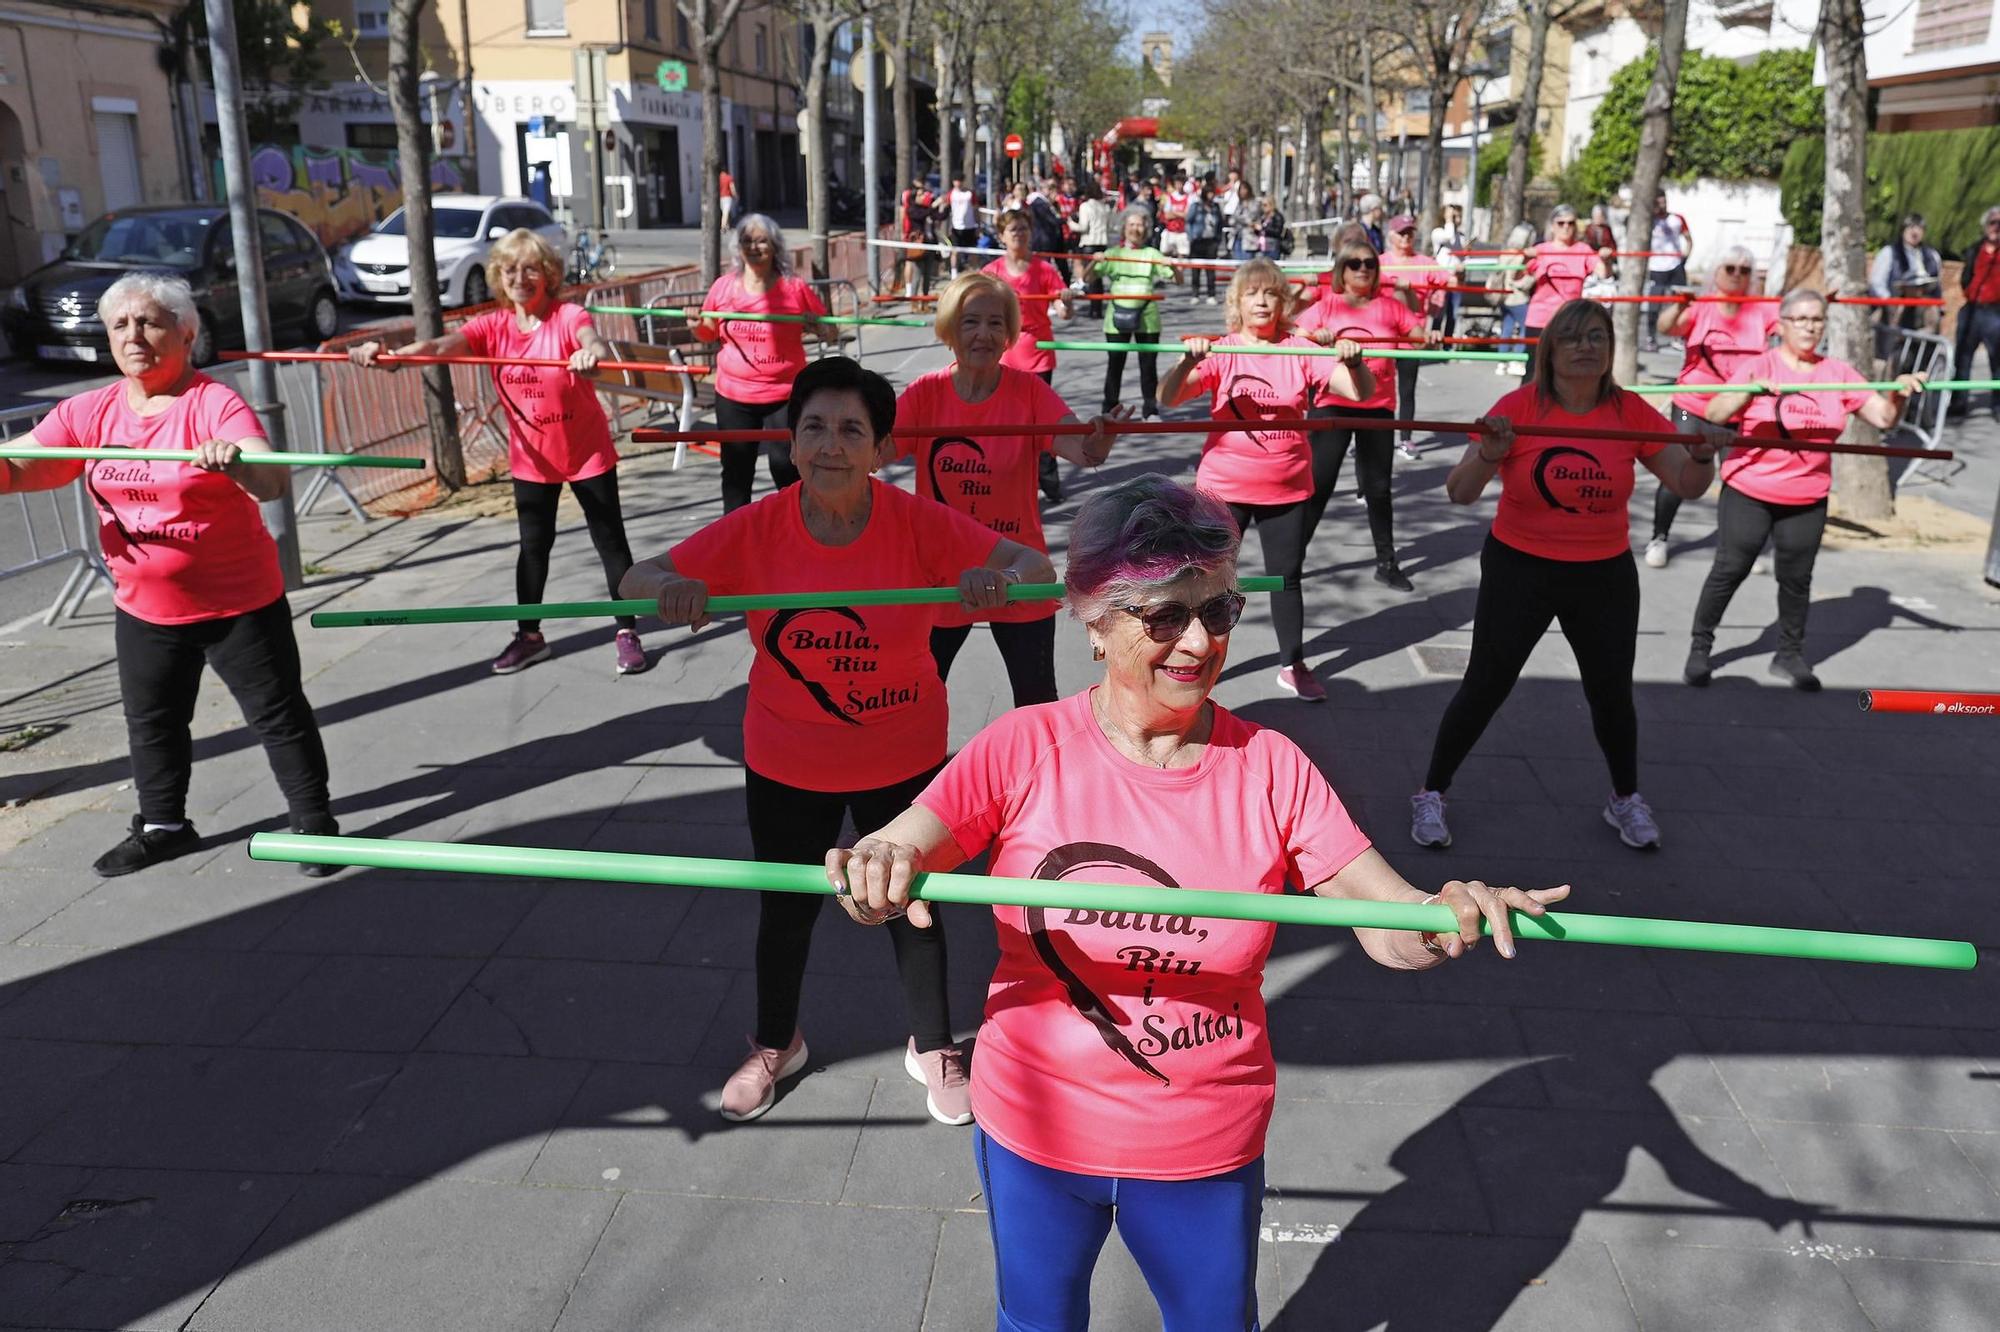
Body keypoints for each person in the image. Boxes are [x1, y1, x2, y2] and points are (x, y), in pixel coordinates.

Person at [824, 473, 1563, 1332]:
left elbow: (1390, 924)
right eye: (1164, 615)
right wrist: (877, 869)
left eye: (1218, 611)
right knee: (1034, 1323)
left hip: (1201, 1142)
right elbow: (906, 846)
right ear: (1097, 623)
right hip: (1033, 1123)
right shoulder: (1024, 746)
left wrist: (1449, 917)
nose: (1198, 642)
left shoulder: (1270, 766)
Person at [623, 356, 1056, 1124]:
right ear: (791, 444)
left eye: (851, 430)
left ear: (882, 448)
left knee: (913, 905)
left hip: (904, 753)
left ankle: (932, 1044)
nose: (830, 445)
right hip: (788, 757)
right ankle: (776, 1042)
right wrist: (669, 587)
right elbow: (633, 578)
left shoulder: (915, 521)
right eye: (814, 428)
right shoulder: (759, 527)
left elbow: (1030, 564)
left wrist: (996, 582)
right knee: (785, 909)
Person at [2, 273, 337, 876]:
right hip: (145, 607)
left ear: (186, 333)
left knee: (278, 716)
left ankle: (315, 827)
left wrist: (235, 464)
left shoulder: (213, 403)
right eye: (121, 326)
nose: (135, 336)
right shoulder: (92, 410)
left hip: (238, 602)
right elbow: (25, 466)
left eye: (151, 322)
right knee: (152, 723)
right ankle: (164, 827)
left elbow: (272, 481)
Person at [1410, 299, 1719, 852]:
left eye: (1596, 337)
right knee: (1485, 685)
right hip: (1520, 566)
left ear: (1611, 349)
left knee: (1611, 695)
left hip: (1603, 573)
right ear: (1548, 347)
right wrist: (1489, 453)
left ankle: (1624, 798)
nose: (1585, 346)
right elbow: (1459, 492)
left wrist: (1701, 456)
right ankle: (1431, 791)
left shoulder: (1629, 412)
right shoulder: (1520, 406)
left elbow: (1686, 483)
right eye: (1572, 337)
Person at [351, 229, 647, 677]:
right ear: (498, 276)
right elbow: (437, 348)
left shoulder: (566, 316)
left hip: (585, 451)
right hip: (532, 458)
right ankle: (530, 637)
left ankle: (627, 632)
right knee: (533, 549)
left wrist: (590, 354)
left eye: (530, 268)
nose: (520, 278)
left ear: (547, 273)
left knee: (610, 542)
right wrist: (392, 357)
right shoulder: (493, 326)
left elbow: (592, 339)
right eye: (510, 270)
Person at [1684, 291, 1927, 693]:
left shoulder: (1838, 373)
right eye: (1801, 319)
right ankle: (1700, 648)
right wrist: (1750, 390)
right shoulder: (1758, 365)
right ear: (1781, 325)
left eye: (1817, 320)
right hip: (1750, 487)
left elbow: (1883, 417)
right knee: (1731, 568)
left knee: (1796, 579)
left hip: (1806, 495)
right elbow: (1714, 414)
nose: (1810, 327)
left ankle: (1789, 655)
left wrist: (1899, 392)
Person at [897, 273, 1122, 704]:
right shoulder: (926, 393)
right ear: (950, 329)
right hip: (940, 571)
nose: (984, 333)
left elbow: (1084, 452)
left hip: (1017, 567)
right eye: (970, 322)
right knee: (916, 694)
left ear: (1009, 335)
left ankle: (1036, 771)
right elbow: (873, 452)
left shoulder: (1028, 391)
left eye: (996, 323)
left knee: (1036, 698)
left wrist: (1100, 438)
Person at [1159, 258, 1372, 700]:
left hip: (1286, 486)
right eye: (1252, 293)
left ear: (1283, 301)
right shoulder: (1224, 348)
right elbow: (1169, 396)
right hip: (1225, 487)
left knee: (1286, 577)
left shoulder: (1299, 348)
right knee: (1208, 579)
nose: (1262, 300)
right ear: (1237, 302)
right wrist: (1186, 361)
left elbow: (1360, 393)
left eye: (1270, 293)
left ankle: (1292, 663)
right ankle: (1192, 659)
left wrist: (1355, 362)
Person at [1295, 238, 1437, 593]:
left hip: (1377, 406)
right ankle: (1291, 562)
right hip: (1332, 404)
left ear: (1377, 271)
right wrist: (1317, 339)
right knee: (1318, 485)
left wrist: (1428, 330)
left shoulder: (1391, 306)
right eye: (1354, 263)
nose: (1362, 269)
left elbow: (1419, 338)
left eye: (1369, 264)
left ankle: (1386, 563)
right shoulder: (1326, 305)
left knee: (1378, 488)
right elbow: (1294, 337)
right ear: (1341, 271)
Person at [686, 214, 836, 514]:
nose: (754, 247)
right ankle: (735, 537)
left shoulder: (794, 288)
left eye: (761, 240)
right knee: (736, 472)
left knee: (786, 467)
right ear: (738, 247)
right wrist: (695, 325)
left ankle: (795, 528)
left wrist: (818, 326)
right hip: (734, 395)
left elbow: (831, 332)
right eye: (747, 241)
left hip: (784, 395)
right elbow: (707, 333)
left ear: (775, 246)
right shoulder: (724, 288)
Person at [1645, 245, 1775, 568]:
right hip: (1691, 404)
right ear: (1717, 272)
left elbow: (1795, 322)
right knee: (1681, 465)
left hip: (1734, 410)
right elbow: (1665, 328)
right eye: (1730, 268)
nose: (1736, 275)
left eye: (1744, 270)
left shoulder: (1761, 309)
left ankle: (1740, 545)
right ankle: (1659, 537)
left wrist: (1821, 308)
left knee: (1738, 476)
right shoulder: (1702, 306)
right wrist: (1678, 308)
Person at [981, 209, 1076, 502]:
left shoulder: (1044, 269)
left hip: (1037, 352)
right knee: (1005, 422)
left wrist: (1066, 303)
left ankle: (1048, 482)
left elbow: (1063, 312)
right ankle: (1009, 481)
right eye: (1013, 230)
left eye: (1023, 228)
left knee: (1040, 422)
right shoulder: (992, 272)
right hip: (1003, 355)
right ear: (1002, 236)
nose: (1019, 234)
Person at [1091, 209, 1174, 420]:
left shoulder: (1152, 254)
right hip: (1116, 316)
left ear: (1145, 229)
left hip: (1148, 317)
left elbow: (1177, 278)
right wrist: (1094, 260)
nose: (1135, 229)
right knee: (1115, 365)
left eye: (1139, 225)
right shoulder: (1113, 253)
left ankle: (1150, 409)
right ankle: (1109, 409)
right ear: (1124, 228)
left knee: (1148, 366)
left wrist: (1172, 265)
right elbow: (1088, 276)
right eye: (1131, 225)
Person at [1382, 214, 1452, 455]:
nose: (1406, 237)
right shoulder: (1379, 262)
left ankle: (1406, 438)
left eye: (1410, 233)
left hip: (1412, 336)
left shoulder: (1424, 263)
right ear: (1391, 235)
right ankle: (1368, 436)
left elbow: (1448, 280)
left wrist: (1456, 274)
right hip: (1380, 338)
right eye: (1401, 233)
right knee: (1377, 392)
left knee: (1407, 391)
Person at [1521, 204, 1603, 378]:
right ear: (1552, 225)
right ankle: (1528, 405)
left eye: (1571, 223)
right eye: (1561, 223)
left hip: (1570, 321)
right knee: (1534, 371)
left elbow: (1603, 272)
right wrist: (1524, 258)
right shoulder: (1542, 249)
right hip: (1540, 319)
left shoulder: (1583, 250)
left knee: (1565, 370)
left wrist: (1606, 258)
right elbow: (1516, 276)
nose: (1566, 227)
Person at [1869, 213, 1943, 368]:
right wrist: (1891, 303)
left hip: (1923, 311)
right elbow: (1877, 283)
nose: (1914, 232)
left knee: (1923, 360)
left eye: (1919, 228)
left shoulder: (1932, 255)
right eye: (1910, 227)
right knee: (1892, 360)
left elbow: (1937, 286)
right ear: (1903, 230)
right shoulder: (1889, 253)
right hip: (1894, 311)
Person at [1948, 205, 2000, 421]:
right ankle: (1958, 403)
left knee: (1997, 361)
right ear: (1985, 226)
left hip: (1996, 312)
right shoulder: (1974, 249)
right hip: (1971, 310)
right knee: (1962, 359)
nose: (1996, 227)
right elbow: (1966, 277)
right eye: (1993, 222)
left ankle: (1998, 406)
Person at [1642, 193, 1692, 353]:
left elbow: (1689, 239)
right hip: (1657, 268)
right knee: (1654, 305)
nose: (1662, 205)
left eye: (1664, 202)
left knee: (1680, 303)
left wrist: (1685, 257)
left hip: (1676, 266)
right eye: (1658, 202)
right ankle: (1651, 338)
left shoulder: (1677, 219)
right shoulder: (1649, 221)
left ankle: (1679, 338)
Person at [1431, 203, 1468, 337]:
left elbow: (1464, 257)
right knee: (1438, 312)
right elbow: (1448, 237)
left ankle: (1447, 343)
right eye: (1454, 216)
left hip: (1456, 280)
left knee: (1453, 314)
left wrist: (1463, 268)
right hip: (1441, 280)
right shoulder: (1438, 233)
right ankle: (1434, 342)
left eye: (1458, 216)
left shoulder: (1462, 237)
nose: (1457, 219)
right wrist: (1449, 220)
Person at [1185, 179, 1224, 305]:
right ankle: (1195, 293)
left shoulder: (1216, 207)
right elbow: (1188, 221)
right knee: (1196, 269)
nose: (1211, 196)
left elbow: (1220, 224)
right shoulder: (1196, 206)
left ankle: (1211, 294)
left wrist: (1218, 239)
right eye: (1209, 193)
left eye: (1213, 193)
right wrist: (1191, 237)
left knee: (1210, 269)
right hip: (1198, 240)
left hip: (1211, 241)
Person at [946, 175, 979, 270]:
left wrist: (978, 225)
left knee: (973, 252)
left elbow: (976, 209)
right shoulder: (951, 194)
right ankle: (953, 274)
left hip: (970, 227)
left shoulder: (970, 194)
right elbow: (946, 210)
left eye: (960, 180)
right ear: (953, 182)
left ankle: (974, 273)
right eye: (956, 180)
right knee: (955, 252)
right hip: (956, 227)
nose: (958, 183)